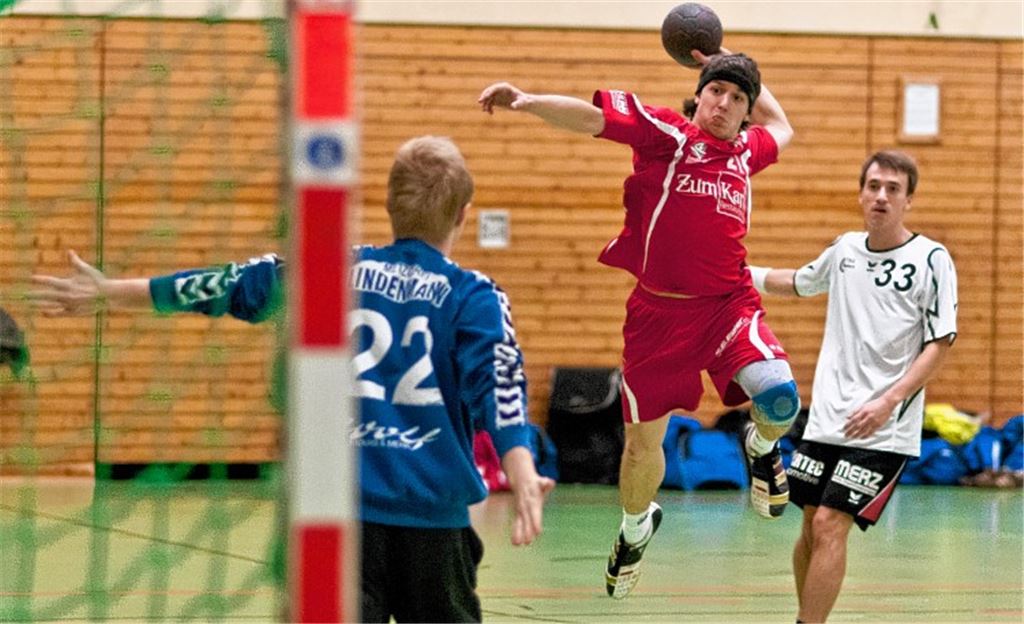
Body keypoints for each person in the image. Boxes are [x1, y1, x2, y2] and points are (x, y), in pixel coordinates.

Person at [29, 136, 555, 623]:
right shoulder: (474, 295)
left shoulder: (329, 269)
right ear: (464, 215)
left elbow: (226, 285)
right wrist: (522, 467)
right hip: (434, 527)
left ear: (390, 206)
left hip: (339, 520)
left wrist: (112, 292)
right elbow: (500, 382)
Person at [478, 48, 800, 600]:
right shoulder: (667, 136)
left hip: (728, 305)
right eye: (717, 90)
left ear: (746, 112)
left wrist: (734, 59)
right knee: (639, 449)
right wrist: (528, 102)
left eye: (738, 97)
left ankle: (762, 447)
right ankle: (634, 527)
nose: (724, 103)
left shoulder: (747, 152)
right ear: (699, 94)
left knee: (780, 399)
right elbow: (590, 117)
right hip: (657, 317)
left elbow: (783, 124)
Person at [748, 150, 958, 623]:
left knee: (829, 523)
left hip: (883, 426)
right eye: (874, 186)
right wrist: (736, 272)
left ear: (908, 200)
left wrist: (888, 401)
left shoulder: (931, 259)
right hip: (827, 419)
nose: (881, 196)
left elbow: (940, 342)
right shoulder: (844, 250)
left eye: (893, 189)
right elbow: (797, 281)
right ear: (862, 194)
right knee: (808, 525)